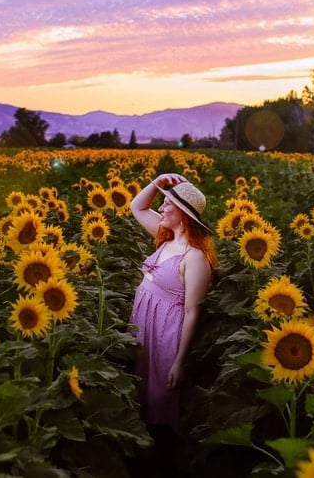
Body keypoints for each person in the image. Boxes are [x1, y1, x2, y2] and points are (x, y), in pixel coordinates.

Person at [129, 172, 216, 440]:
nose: (161, 207)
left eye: (167, 204)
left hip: (167, 333)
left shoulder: (196, 256)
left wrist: (179, 361)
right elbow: (137, 206)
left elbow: (192, 312)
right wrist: (158, 182)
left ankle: (163, 455)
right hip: (145, 325)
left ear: (183, 213)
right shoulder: (166, 236)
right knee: (140, 390)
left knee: (162, 396)